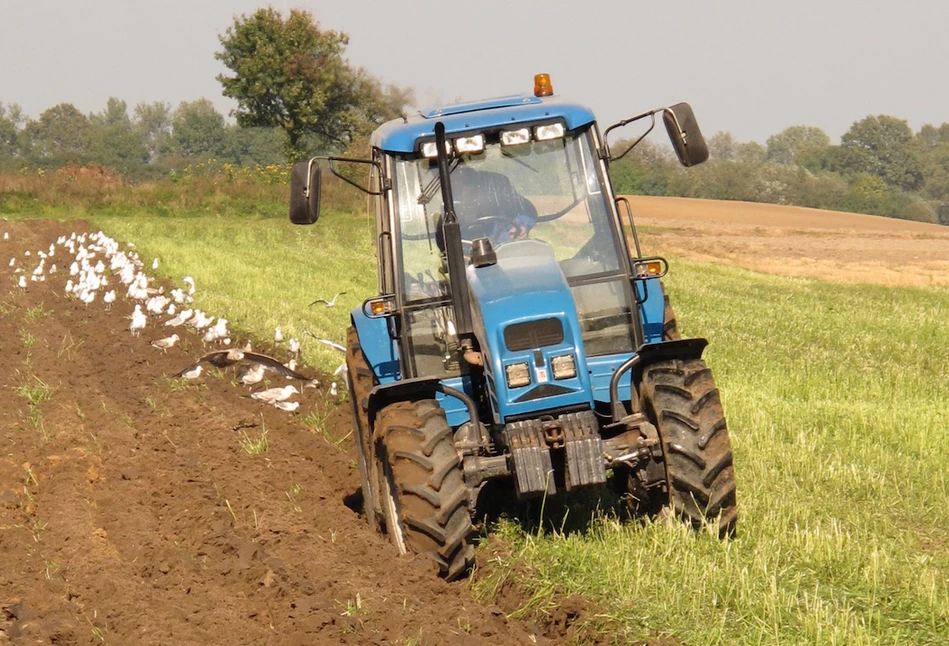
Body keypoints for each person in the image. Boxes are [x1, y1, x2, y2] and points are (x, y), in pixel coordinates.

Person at [436, 163, 537, 251]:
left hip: (508, 256)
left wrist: (521, 226)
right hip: (468, 267)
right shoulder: (450, 214)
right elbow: (444, 246)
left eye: (474, 191)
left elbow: (526, 210)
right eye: (465, 192)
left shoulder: (500, 205)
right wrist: (460, 256)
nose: (470, 197)